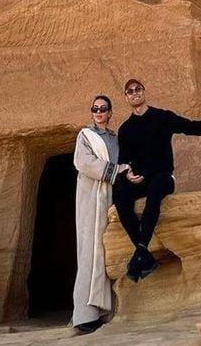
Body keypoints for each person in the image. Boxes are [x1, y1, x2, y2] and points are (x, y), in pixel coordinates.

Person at [112, 78, 201, 282]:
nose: (134, 93)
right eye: (130, 91)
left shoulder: (162, 117)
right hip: (140, 180)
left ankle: (141, 251)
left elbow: (190, 127)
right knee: (120, 194)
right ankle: (143, 253)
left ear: (144, 91)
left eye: (138, 89)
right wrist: (128, 175)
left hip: (163, 177)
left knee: (156, 188)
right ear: (126, 97)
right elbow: (124, 160)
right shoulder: (125, 129)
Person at [72, 95, 126, 334]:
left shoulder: (115, 139)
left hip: (110, 196)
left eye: (103, 108)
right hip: (91, 197)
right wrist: (115, 170)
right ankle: (84, 315)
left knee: (106, 252)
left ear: (110, 112)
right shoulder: (85, 136)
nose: (99, 111)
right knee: (89, 251)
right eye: (95, 108)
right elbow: (83, 163)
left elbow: (124, 163)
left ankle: (105, 310)